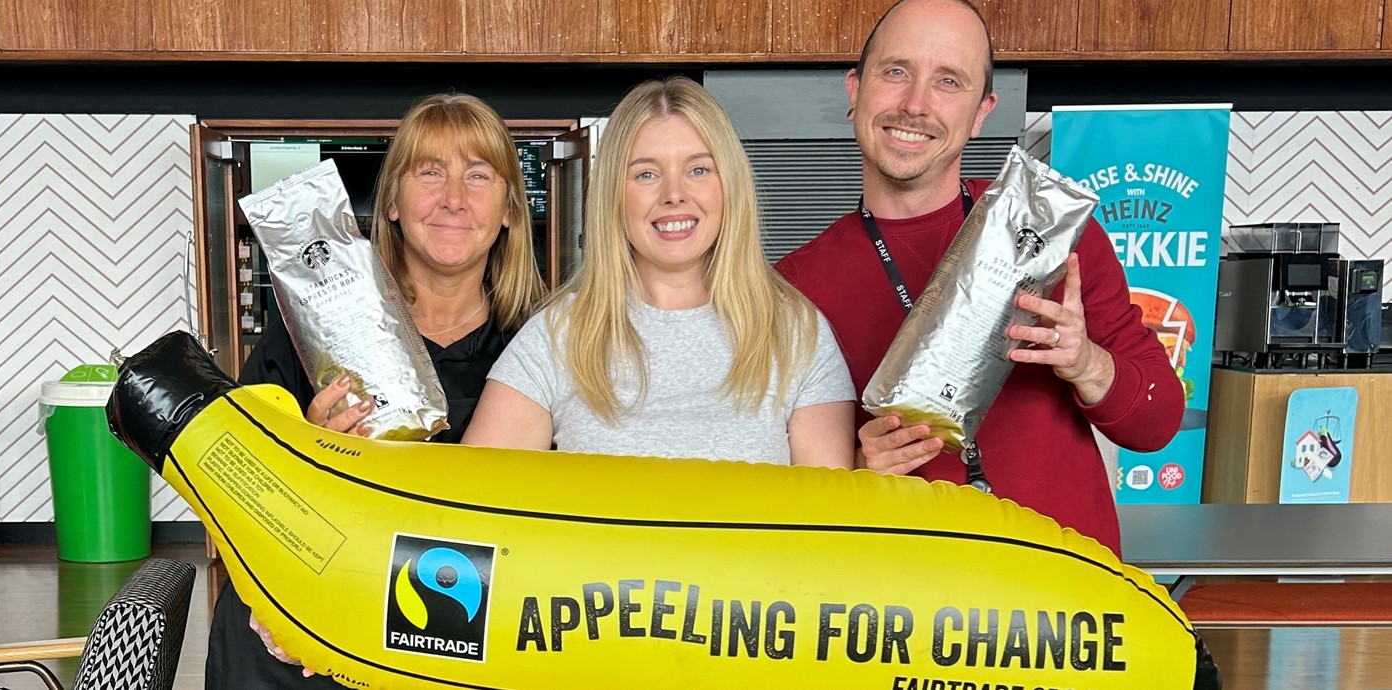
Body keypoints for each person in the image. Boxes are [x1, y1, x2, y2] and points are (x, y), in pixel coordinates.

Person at [774, 0, 1183, 555]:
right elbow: (786, 490)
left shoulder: (1053, 235)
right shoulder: (794, 286)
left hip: (1066, 603)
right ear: (855, 90)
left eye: (949, 81)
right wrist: (858, 467)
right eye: (896, 72)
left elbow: (1156, 425)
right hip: (909, 613)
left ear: (982, 110)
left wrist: (1086, 363)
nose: (915, 103)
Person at [206, 92, 546, 689]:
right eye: (430, 171)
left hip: (472, 622)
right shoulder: (308, 328)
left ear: (511, 208)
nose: (453, 199)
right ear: (391, 202)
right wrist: (309, 449)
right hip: (313, 612)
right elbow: (231, 489)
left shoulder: (545, 345)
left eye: (478, 174)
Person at [464, 77, 855, 469]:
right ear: (614, 194)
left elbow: (828, 517)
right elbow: (472, 502)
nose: (674, 193)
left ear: (730, 185)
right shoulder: (557, 335)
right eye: (646, 174)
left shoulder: (797, 333)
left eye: (699, 170)